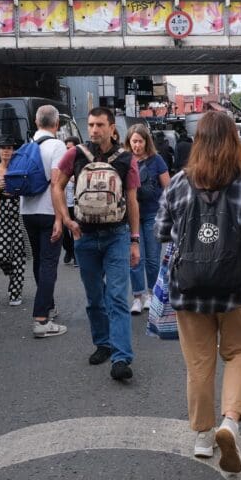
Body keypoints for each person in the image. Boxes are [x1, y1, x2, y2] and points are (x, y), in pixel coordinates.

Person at [156, 111, 241, 474]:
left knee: (198, 363)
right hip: (240, 286)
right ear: (233, 142)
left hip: (189, 288)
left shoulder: (179, 182)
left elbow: (161, 231)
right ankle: (230, 423)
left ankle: (202, 436)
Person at [51, 107, 141, 381]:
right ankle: (103, 343)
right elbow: (56, 185)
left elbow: (133, 200)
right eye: (90, 125)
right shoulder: (76, 154)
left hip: (116, 235)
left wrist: (134, 240)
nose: (94, 130)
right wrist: (66, 219)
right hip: (84, 236)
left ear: (113, 128)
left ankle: (121, 358)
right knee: (94, 297)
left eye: (100, 125)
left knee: (116, 296)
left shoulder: (127, 159)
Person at [21, 105, 69, 338]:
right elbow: (56, 184)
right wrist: (61, 218)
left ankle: (47, 304)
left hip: (27, 212)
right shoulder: (57, 145)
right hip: (49, 211)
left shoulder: (26, 145)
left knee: (39, 260)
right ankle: (41, 319)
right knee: (50, 263)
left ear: (37, 122)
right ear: (56, 124)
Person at [125, 124, 171, 314]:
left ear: (146, 141)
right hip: (131, 215)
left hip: (153, 212)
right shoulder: (125, 159)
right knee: (135, 258)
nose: (136, 145)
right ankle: (137, 296)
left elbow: (168, 187)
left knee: (152, 257)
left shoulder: (156, 160)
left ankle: (152, 294)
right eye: (133, 141)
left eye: (140, 141)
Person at [0, 135, 33, 307]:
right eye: (3, 148)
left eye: (9, 148)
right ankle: (13, 275)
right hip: (1, 212)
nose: (6, 151)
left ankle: (15, 292)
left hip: (19, 211)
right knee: (0, 253)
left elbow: (30, 188)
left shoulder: (21, 167)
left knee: (18, 254)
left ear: (13, 150)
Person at [62, 136, 81, 267]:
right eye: (66, 148)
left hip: (76, 204)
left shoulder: (80, 163)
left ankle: (76, 255)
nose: (67, 151)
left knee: (75, 229)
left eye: (70, 148)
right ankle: (68, 250)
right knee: (64, 231)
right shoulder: (63, 162)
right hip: (64, 203)